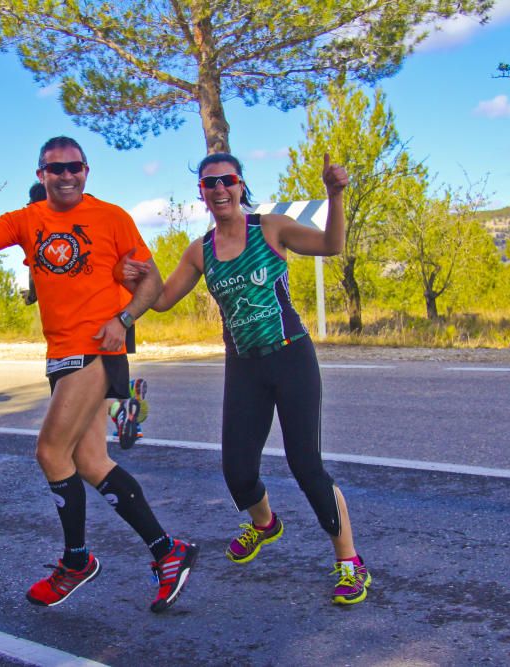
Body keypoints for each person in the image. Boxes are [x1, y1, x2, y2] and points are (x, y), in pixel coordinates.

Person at [0, 136, 198, 613]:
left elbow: (154, 282)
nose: (66, 176)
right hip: (59, 353)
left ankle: (76, 560)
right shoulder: (28, 219)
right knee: (88, 462)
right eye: (55, 169)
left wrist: (122, 322)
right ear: (41, 174)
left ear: (87, 171)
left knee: (49, 450)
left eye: (74, 168)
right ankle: (169, 552)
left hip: (97, 349)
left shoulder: (113, 218)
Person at [124, 151, 372, 605]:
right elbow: (160, 301)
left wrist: (334, 197)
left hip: (290, 356)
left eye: (227, 180)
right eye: (209, 183)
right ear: (201, 193)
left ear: (240, 186)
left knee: (306, 467)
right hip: (243, 366)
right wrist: (136, 275)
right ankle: (264, 524)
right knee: (237, 472)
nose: (219, 189)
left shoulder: (270, 228)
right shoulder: (200, 251)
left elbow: (332, 245)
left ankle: (349, 563)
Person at [21, 182, 150, 450]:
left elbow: (37, 268)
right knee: (97, 381)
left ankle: (121, 407)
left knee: (84, 386)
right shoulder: (96, 217)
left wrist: (33, 295)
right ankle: (124, 402)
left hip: (94, 322)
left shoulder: (45, 229)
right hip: (124, 310)